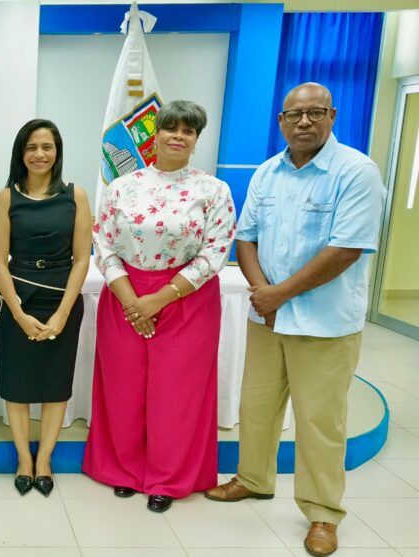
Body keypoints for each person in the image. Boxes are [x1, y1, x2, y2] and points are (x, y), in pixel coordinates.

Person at [206, 83, 385, 557]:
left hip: (325, 323)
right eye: (294, 115)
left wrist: (278, 294)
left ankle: (323, 512)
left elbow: (346, 249)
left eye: (314, 113)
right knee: (257, 408)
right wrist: (264, 294)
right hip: (268, 319)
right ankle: (253, 479)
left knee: (319, 421)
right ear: (281, 121)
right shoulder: (268, 172)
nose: (303, 122)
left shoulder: (356, 172)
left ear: (332, 115)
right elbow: (245, 238)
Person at [84, 100, 236, 513]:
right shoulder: (123, 186)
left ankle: (168, 478)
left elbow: (216, 252)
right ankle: (123, 470)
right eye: (171, 128)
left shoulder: (214, 190)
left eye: (188, 131)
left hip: (187, 298)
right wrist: (133, 299)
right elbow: (103, 243)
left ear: (196, 140)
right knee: (124, 387)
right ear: (155, 133)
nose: (178, 136)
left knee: (177, 393)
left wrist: (160, 298)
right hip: (126, 296)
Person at [0, 119, 91, 497]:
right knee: (17, 386)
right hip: (17, 298)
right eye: (31, 147)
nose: (39, 154)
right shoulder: (6, 198)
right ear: (21, 153)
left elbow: (83, 258)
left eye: (47, 147)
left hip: (61, 296)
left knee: (54, 386)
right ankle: (23, 458)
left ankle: (45, 458)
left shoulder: (76, 195)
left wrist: (63, 312)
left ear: (57, 152)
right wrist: (17, 312)